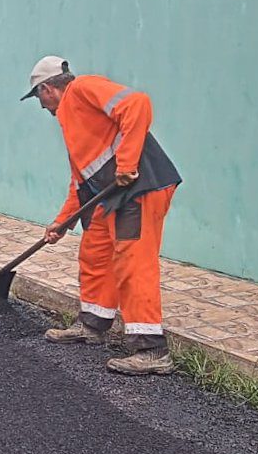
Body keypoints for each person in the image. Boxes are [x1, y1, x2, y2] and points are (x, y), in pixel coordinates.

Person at [22, 56, 182, 376]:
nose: (41, 106)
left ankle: (151, 350)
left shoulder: (82, 88)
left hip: (139, 189)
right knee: (94, 253)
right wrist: (62, 222)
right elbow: (81, 180)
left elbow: (137, 104)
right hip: (110, 198)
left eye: (38, 96)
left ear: (48, 88)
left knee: (132, 264)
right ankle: (92, 324)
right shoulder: (71, 121)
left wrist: (125, 165)